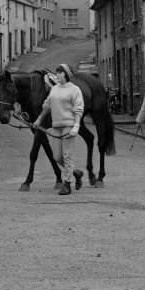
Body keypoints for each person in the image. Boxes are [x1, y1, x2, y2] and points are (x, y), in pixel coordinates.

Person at [32, 63, 85, 196]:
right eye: (57, 73)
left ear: (66, 75)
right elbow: (47, 105)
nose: (58, 75)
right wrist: (39, 120)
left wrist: (76, 126)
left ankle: (67, 184)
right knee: (57, 157)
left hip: (69, 125)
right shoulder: (54, 89)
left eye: (60, 73)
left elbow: (78, 109)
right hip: (56, 126)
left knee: (67, 156)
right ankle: (76, 172)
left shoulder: (74, 90)